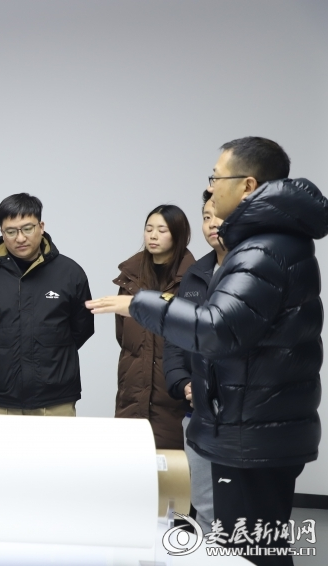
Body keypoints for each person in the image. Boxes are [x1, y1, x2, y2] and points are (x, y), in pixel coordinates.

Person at [87, 137, 326, 565]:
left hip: (251, 432)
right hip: (253, 425)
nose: (211, 187)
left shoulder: (263, 249)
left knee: (246, 553)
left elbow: (217, 328)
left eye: (217, 177)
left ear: (247, 184)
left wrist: (138, 304)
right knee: (253, 547)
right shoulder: (272, 241)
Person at [0, 193, 94, 415]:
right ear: (1, 232)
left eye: (27, 228)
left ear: (41, 227)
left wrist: (50, 352)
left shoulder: (70, 273)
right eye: (11, 231)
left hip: (55, 396)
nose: (20, 238)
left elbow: (82, 328)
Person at [163, 192, 225, 533]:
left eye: (220, 216)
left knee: (242, 513)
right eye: (206, 217)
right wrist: (184, 383)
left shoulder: (257, 270)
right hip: (197, 410)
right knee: (204, 509)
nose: (212, 224)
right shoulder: (196, 274)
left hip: (242, 416)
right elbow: (176, 341)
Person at [112, 204, 194, 449]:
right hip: (132, 395)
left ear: (179, 235)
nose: (153, 236)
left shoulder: (194, 281)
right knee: (130, 463)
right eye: (149, 229)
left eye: (162, 230)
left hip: (174, 398)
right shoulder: (130, 279)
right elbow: (123, 337)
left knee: (172, 467)